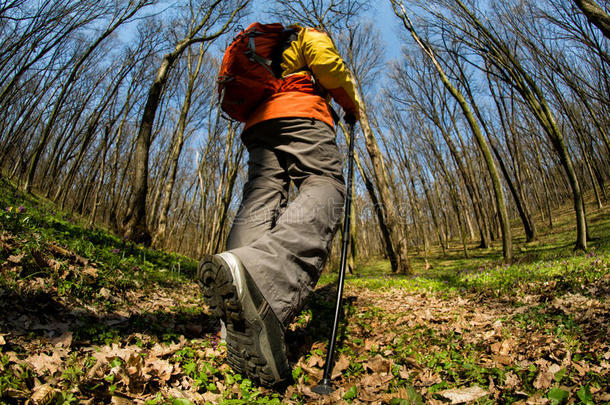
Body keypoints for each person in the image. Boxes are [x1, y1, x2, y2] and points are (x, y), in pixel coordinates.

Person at [198, 23, 361, 387]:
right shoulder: (307, 35)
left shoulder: (265, 51)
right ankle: (261, 282)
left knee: (261, 196)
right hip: (302, 112)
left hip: (259, 123)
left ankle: (236, 299)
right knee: (326, 184)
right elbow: (327, 65)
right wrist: (350, 104)